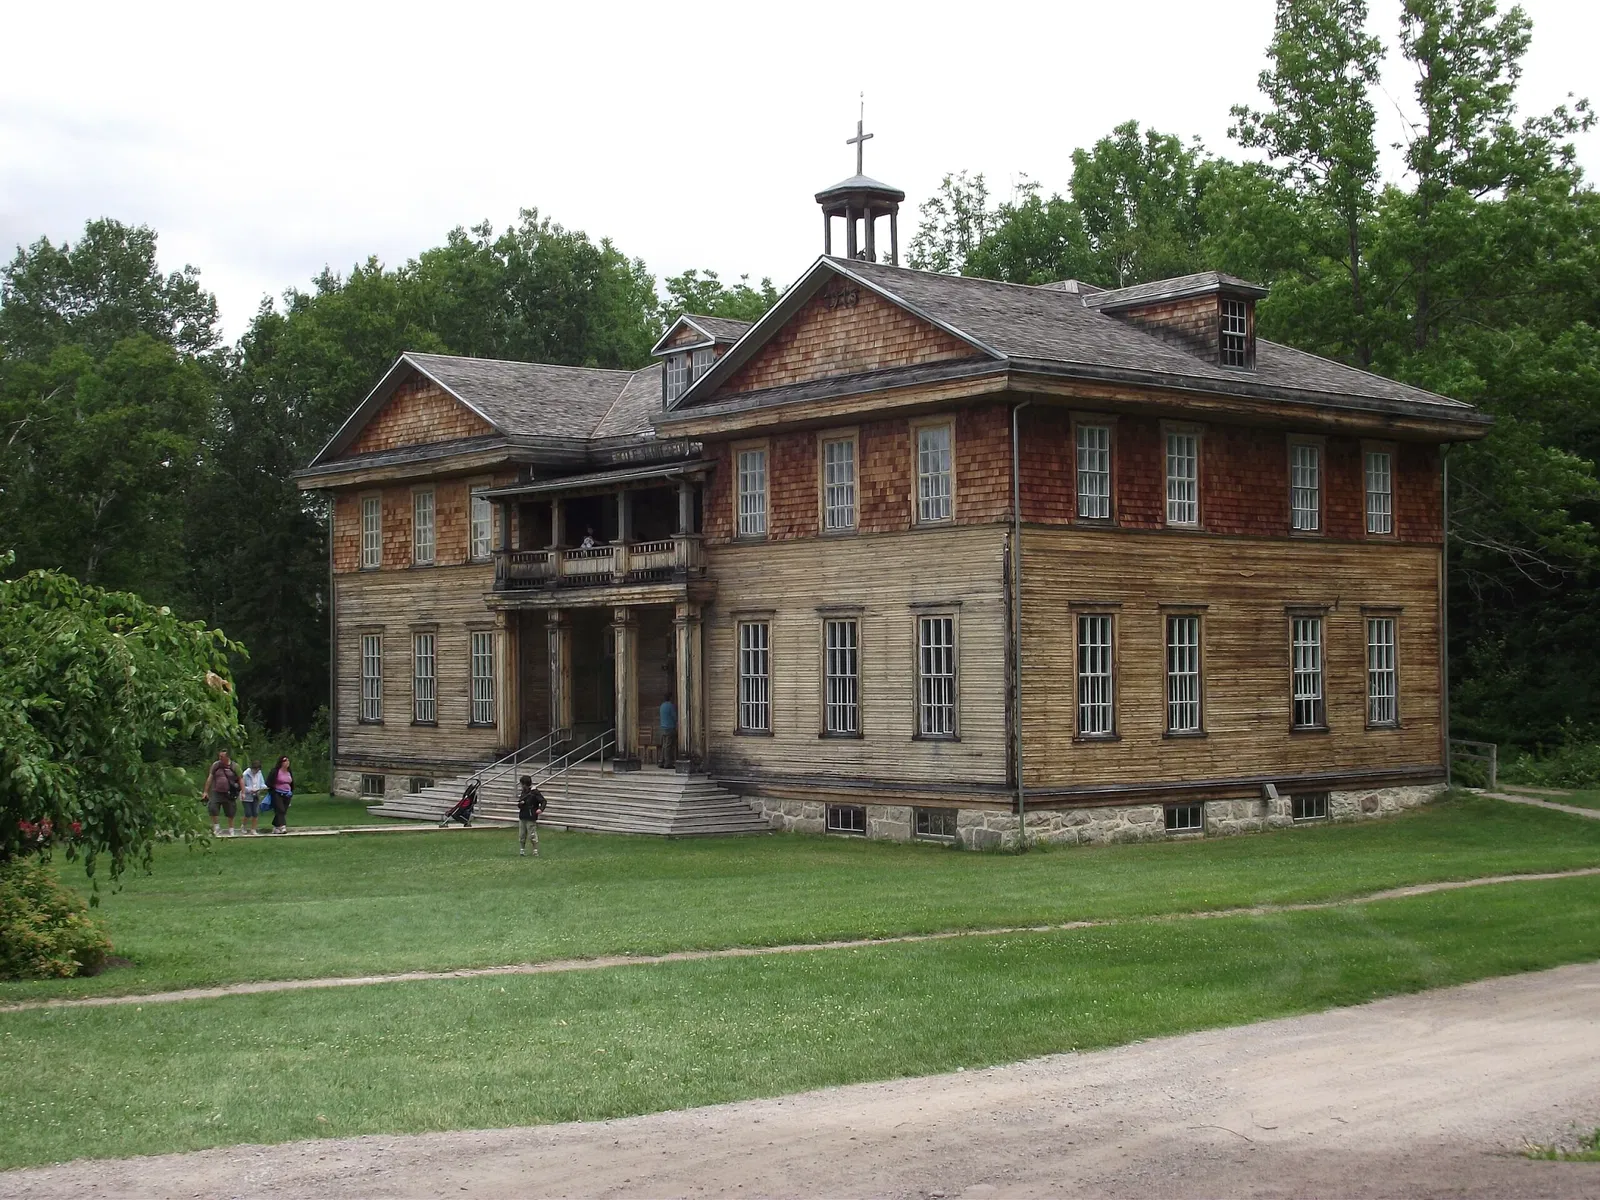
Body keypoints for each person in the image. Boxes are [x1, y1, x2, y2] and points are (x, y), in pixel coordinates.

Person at [202, 750, 240, 837]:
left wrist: (242, 791)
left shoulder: (234, 766)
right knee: (212, 808)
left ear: (227, 757)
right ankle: (217, 827)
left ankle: (231, 829)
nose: (220, 758)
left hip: (229, 792)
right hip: (216, 791)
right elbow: (210, 777)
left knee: (230, 811)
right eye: (219, 756)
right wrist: (205, 791)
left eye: (222, 757)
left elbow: (240, 778)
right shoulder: (216, 765)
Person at [517, 774, 546, 857]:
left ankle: (535, 850)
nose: (521, 786)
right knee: (522, 834)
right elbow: (520, 803)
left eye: (522, 784)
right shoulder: (523, 792)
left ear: (525, 784)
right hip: (523, 815)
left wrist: (541, 809)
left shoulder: (534, 792)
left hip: (531, 815)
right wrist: (521, 804)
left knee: (532, 834)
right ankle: (522, 849)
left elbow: (543, 801)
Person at [267, 755, 294, 834]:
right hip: (277, 793)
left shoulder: (289, 771)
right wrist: (273, 788)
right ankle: (282, 826)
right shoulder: (275, 771)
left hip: (287, 794)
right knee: (280, 809)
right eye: (285, 761)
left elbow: (291, 782)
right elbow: (269, 782)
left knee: (283, 811)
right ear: (281, 762)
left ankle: (276, 826)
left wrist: (291, 791)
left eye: (288, 761)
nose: (287, 762)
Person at [240, 759, 266, 836]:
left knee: (255, 813)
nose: (256, 771)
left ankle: (253, 829)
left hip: (256, 795)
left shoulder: (259, 773)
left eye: (258, 770)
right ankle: (243, 826)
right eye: (255, 769)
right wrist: (250, 789)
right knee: (248, 813)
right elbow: (242, 786)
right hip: (247, 796)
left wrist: (263, 787)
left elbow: (262, 783)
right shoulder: (245, 774)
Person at [658, 695, 677, 768]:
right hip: (670, 727)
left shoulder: (662, 706)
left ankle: (661, 761)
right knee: (668, 746)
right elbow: (674, 716)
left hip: (663, 728)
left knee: (664, 746)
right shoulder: (670, 706)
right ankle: (667, 763)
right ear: (670, 698)